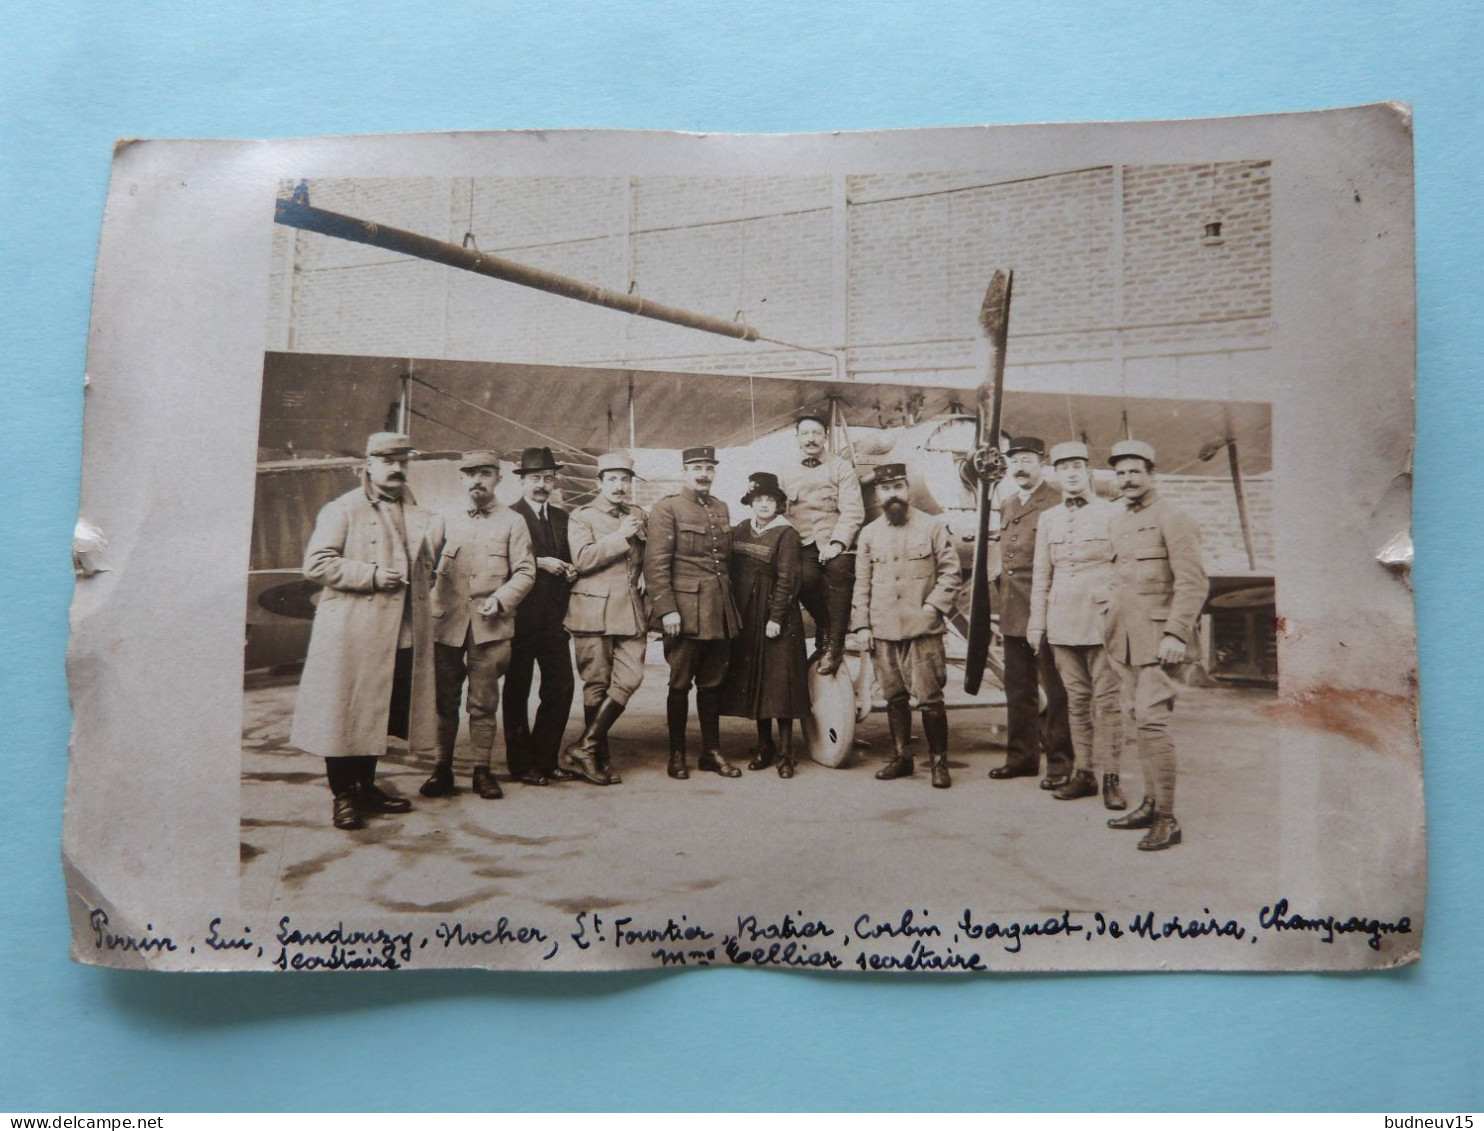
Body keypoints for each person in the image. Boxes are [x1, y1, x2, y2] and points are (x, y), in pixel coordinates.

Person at [289, 432, 446, 831]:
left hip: (397, 630)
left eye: (402, 461)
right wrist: (371, 575)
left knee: (374, 709)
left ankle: (366, 786)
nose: (397, 468)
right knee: (345, 710)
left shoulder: (413, 509)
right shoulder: (343, 509)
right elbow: (317, 564)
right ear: (368, 465)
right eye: (387, 460)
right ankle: (344, 796)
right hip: (351, 631)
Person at [1101, 440, 1208, 851]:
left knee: (1152, 723)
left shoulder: (1174, 517)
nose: (1127, 479)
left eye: (1134, 472)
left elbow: (1193, 582)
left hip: (1162, 643)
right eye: (1120, 473)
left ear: (1151, 474)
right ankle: (1149, 803)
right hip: (1127, 642)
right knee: (1138, 724)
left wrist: (1176, 634)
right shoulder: (1120, 521)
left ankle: (1167, 818)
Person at [422, 450, 537, 801]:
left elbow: (526, 571)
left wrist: (501, 599)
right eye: (470, 473)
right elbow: (423, 565)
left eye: (485, 473)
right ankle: (441, 768)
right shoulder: (444, 516)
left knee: (484, 702)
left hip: (491, 627)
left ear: (497, 479)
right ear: (461, 478)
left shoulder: (513, 521)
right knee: (444, 700)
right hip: (446, 625)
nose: (477, 480)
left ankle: (482, 770)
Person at [851, 463, 962, 788]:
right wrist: (862, 626)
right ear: (877, 494)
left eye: (898, 486)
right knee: (894, 697)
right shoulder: (869, 534)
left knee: (930, 698)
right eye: (886, 489)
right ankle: (902, 757)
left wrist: (932, 609)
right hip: (883, 628)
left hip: (922, 629)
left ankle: (939, 763)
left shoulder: (932, 527)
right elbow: (862, 584)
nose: (893, 493)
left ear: (908, 489)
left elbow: (951, 572)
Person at [1027, 442, 1125, 809]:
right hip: (1062, 620)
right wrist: (1037, 623)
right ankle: (1084, 773)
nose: (1070, 473)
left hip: (1102, 620)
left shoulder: (1112, 513)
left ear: (1088, 471)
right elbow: (1041, 574)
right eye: (1063, 466)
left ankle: (1111, 778)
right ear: (1054, 473)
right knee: (1075, 702)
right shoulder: (1048, 518)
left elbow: (1124, 569)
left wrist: (1120, 615)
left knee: (1108, 702)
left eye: (1077, 466)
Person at [644, 445, 743, 780]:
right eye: (697, 468)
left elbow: (724, 562)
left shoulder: (721, 508)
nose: (703, 474)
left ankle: (711, 752)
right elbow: (656, 565)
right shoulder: (667, 508)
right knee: (679, 684)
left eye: (709, 468)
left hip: (719, 609)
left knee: (712, 684)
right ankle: (676, 754)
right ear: (685, 472)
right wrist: (667, 610)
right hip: (684, 612)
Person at [988, 436, 1076, 788]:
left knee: (1056, 692)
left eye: (1027, 460)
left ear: (1042, 464)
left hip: (1047, 611)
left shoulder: (1057, 501)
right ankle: (1021, 758)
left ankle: (1059, 763)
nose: (1020, 467)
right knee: (1018, 689)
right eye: (1015, 461)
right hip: (1013, 611)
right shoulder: (1008, 504)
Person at [561, 451, 649, 785]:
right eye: (612, 479)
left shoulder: (639, 514)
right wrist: (620, 537)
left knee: (631, 677)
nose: (619, 485)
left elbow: (649, 556)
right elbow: (582, 559)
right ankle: (599, 757)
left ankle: (585, 746)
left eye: (625, 479)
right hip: (592, 611)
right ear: (599, 483)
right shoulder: (581, 516)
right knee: (596, 683)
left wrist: (647, 578)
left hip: (629, 609)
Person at [720, 472, 811, 778]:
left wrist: (776, 618)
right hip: (748, 616)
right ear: (750, 502)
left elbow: (788, 579)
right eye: (759, 499)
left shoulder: (787, 534)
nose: (764, 505)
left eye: (770, 500)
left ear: (778, 504)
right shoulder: (741, 530)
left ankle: (786, 753)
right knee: (757, 682)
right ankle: (764, 746)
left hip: (778, 618)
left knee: (780, 685)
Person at [504, 446, 578, 787]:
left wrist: (571, 570)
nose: (542, 485)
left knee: (561, 686)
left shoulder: (563, 518)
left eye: (548, 479)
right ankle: (521, 764)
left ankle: (546, 759)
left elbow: (571, 557)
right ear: (522, 481)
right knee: (517, 691)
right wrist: (539, 563)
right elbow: (499, 565)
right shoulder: (509, 516)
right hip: (519, 618)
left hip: (554, 620)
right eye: (535, 478)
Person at [780, 413, 864, 676]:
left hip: (834, 542)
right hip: (802, 543)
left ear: (825, 436)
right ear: (797, 438)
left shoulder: (841, 467)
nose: (811, 439)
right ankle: (827, 629)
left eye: (816, 433)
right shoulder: (786, 471)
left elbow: (852, 510)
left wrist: (838, 543)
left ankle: (834, 645)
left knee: (839, 572)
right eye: (805, 434)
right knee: (801, 579)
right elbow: (779, 511)